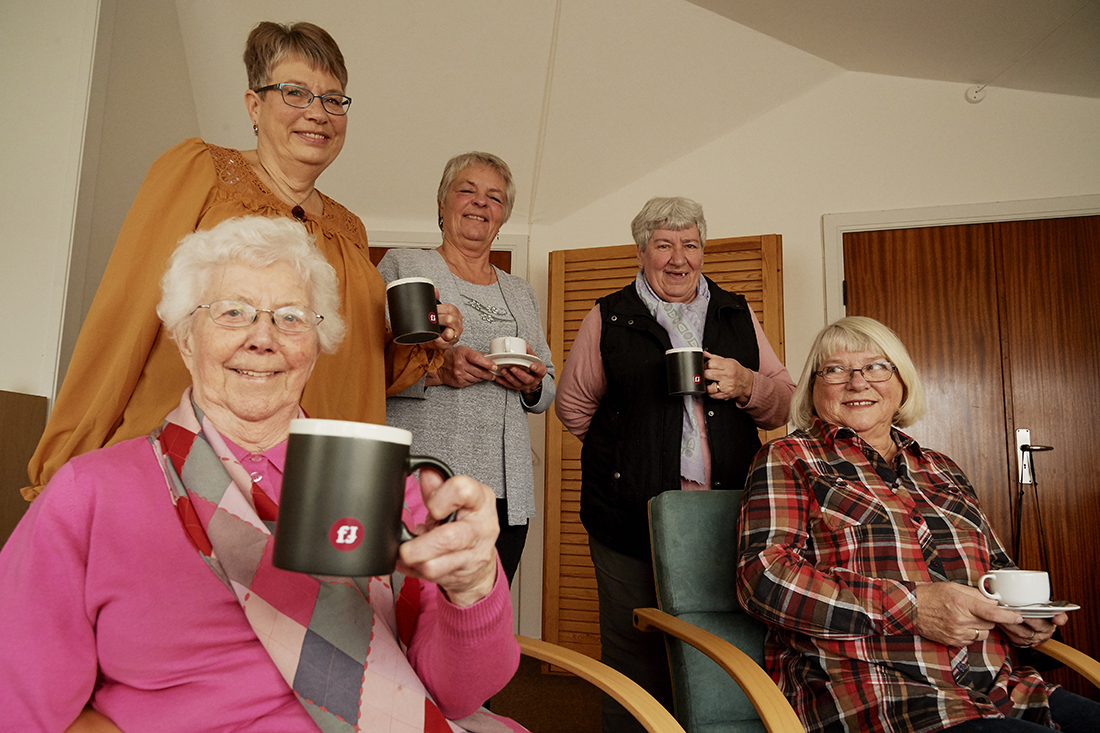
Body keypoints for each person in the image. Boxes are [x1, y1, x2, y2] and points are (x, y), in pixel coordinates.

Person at [0, 217, 526, 733]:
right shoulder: (90, 492)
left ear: (316, 347)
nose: (263, 338)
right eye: (233, 312)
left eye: (292, 317)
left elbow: (458, 694)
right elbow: (21, 703)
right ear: (185, 338)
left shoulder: (385, 483)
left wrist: (474, 587)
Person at [23, 21, 460, 501]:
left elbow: (353, 369)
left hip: (313, 486)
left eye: (333, 99)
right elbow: (123, 317)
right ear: (254, 105)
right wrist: (68, 463)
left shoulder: (349, 229)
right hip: (186, 468)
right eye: (295, 92)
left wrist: (417, 342)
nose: (318, 113)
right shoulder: (200, 172)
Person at [736, 315, 1100, 733]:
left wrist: (1025, 619)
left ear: (901, 381)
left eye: (876, 367)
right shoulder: (789, 458)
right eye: (835, 370)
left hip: (1002, 689)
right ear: (814, 387)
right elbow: (763, 578)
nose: (858, 382)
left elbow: (999, 569)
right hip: (878, 693)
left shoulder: (943, 469)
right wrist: (913, 609)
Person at [554, 196, 795, 733]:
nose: (677, 257)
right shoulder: (609, 315)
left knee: (722, 638)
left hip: (722, 513)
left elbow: (784, 403)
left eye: (690, 244)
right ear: (642, 252)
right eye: (663, 244)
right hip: (627, 512)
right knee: (630, 644)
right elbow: (573, 405)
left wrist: (746, 383)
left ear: (704, 250)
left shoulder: (736, 312)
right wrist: (624, 452)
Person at [378, 152, 555, 586]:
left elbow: (548, 385)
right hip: (425, 484)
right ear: (442, 203)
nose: (480, 203)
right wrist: (438, 370)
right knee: (414, 621)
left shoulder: (520, 292)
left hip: (504, 495)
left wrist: (531, 384)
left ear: (503, 216)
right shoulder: (406, 267)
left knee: (481, 621)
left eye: (494, 197)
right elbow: (369, 366)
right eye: (467, 190)